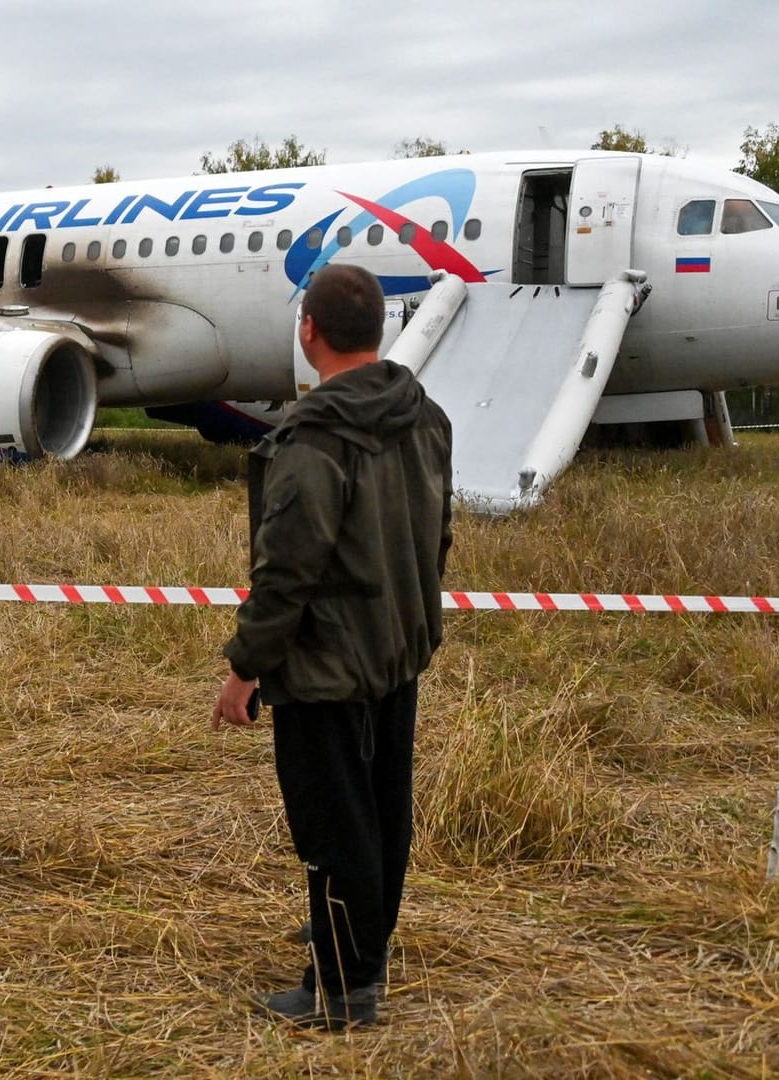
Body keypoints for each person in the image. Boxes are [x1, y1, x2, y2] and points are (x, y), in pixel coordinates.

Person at [212, 263, 454, 1030]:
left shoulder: (312, 442)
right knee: (382, 812)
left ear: (307, 330)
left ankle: (342, 990)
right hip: (397, 652)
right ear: (378, 331)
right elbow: (437, 534)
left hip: (323, 668)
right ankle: (363, 943)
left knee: (330, 825)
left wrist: (244, 668)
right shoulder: (426, 418)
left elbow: (287, 573)